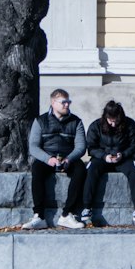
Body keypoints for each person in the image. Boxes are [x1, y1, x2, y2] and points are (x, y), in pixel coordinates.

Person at [23, 88, 87, 229]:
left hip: (69, 157)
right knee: (37, 169)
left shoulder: (76, 122)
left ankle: (67, 214)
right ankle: (39, 216)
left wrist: (69, 159)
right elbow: (33, 146)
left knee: (80, 170)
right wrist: (48, 159)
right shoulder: (40, 121)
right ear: (53, 103)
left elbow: (81, 146)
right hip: (47, 157)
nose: (67, 105)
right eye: (63, 102)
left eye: (68, 102)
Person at [81, 99, 135, 226]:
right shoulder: (96, 126)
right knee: (91, 169)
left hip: (124, 157)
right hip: (102, 158)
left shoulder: (129, 124)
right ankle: (87, 208)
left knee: (134, 170)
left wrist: (124, 154)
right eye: (111, 121)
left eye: (116, 120)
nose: (113, 124)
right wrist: (104, 156)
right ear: (106, 117)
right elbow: (91, 147)